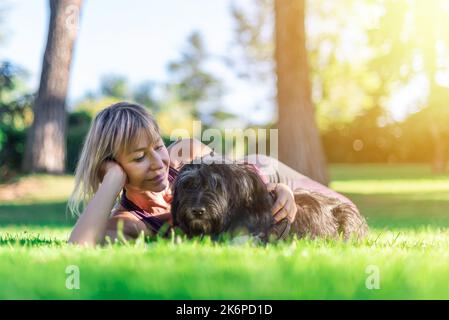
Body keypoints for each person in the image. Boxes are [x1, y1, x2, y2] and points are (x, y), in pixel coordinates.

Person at [67, 102, 300, 246]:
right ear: (111, 166)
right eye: (139, 158)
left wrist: (281, 189)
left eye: (158, 147)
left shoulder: (186, 152)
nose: (159, 163)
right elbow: (78, 250)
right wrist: (112, 179)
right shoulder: (129, 223)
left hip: (267, 170)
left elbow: (239, 179)